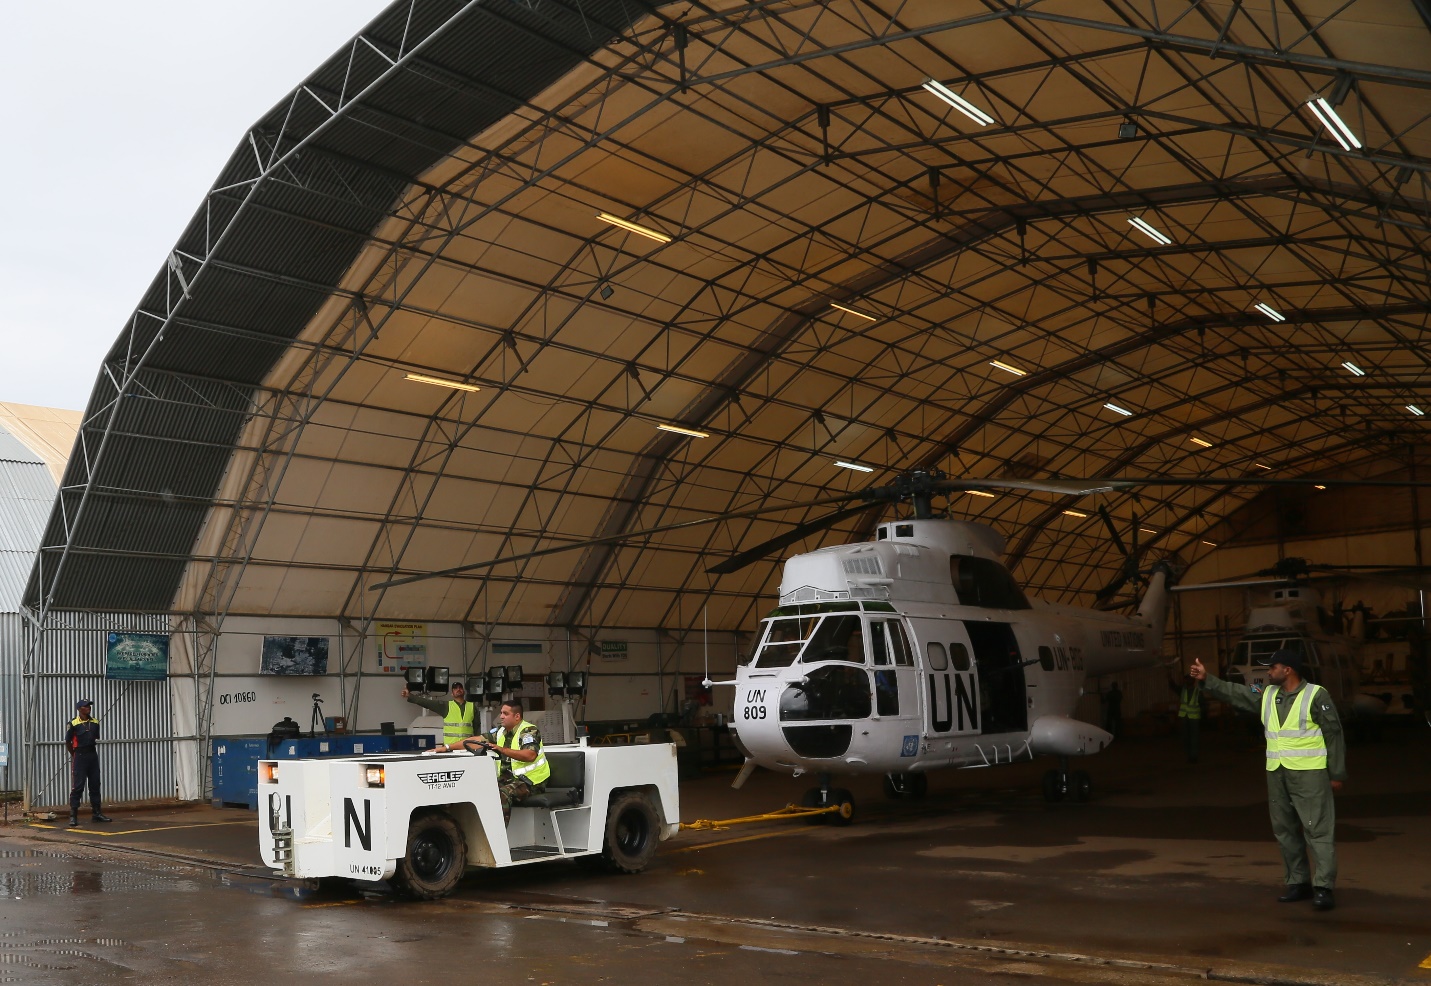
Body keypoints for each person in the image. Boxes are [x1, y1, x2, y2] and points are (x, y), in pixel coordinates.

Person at [1191, 649, 1346, 911]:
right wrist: (1208, 678)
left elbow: (1334, 733)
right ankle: (1298, 883)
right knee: (1285, 830)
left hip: (1310, 774)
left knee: (1317, 830)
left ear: (1288, 670)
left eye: (1272, 667)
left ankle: (1323, 888)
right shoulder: (1266, 694)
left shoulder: (1316, 695)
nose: (1267, 672)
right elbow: (1238, 692)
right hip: (1277, 773)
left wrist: (1337, 773)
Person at [443, 700, 549, 824]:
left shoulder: (528, 731)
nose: (501, 716)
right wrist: (447, 748)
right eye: (501, 713)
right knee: (475, 790)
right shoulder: (500, 732)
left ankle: (498, 838)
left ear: (517, 716)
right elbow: (475, 740)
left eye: (505, 713)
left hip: (531, 782)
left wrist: (502, 749)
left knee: (501, 795)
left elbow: (530, 755)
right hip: (508, 779)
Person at [65, 699, 111, 827]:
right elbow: (68, 742)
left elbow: (95, 737)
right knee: (78, 786)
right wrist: (74, 755)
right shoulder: (73, 723)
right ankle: (73, 815)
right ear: (79, 709)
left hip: (92, 754)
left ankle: (97, 813)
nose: (88, 708)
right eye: (86, 706)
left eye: (89, 706)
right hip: (79, 755)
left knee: (95, 784)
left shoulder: (95, 722)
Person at [401, 680, 475, 748]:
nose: (458, 689)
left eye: (460, 688)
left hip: (468, 747)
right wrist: (410, 696)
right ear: (452, 694)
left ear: (464, 691)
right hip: (450, 747)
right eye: (455, 688)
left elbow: (477, 727)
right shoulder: (446, 706)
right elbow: (427, 703)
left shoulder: (472, 706)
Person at [1171, 668, 1204, 763]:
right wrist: (1170, 679)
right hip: (1185, 717)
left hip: (1193, 718)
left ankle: (1193, 756)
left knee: (1193, 737)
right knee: (1186, 737)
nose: (1187, 681)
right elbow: (1174, 687)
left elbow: (1203, 704)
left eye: (1189, 679)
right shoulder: (1183, 690)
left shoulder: (1197, 691)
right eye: (1186, 679)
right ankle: (1190, 755)